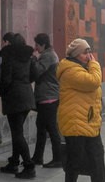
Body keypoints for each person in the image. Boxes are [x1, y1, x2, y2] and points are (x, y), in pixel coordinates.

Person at [56, 38, 105, 182]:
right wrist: (95, 64)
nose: (89, 56)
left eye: (89, 52)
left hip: (88, 121)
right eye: (85, 53)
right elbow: (94, 82)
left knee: (97, 159)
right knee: (75, 163)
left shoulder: (82, 68)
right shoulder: (70, 70)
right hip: (76, 124)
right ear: (76, 54)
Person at [0, 33, 36, 179]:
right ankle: (14, 162)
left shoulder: (9, 57)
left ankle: (29, 165)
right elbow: (35, 74)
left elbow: (6, 79)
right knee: (17, 131)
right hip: (26, 96)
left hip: (14, 97)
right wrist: (24, 82)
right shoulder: (29, 58)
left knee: (17, 133)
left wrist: (3, 92)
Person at [30, 33, 62, 168]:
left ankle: (58, 158)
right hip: (46, 97)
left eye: (37, 45)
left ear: (43, 44)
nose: (35, 48)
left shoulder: (48, 56)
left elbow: (37, 71)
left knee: (51, 128)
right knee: (41, 128)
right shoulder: (48, 55)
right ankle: (38, 157)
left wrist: (32, 59)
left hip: (49, 97)